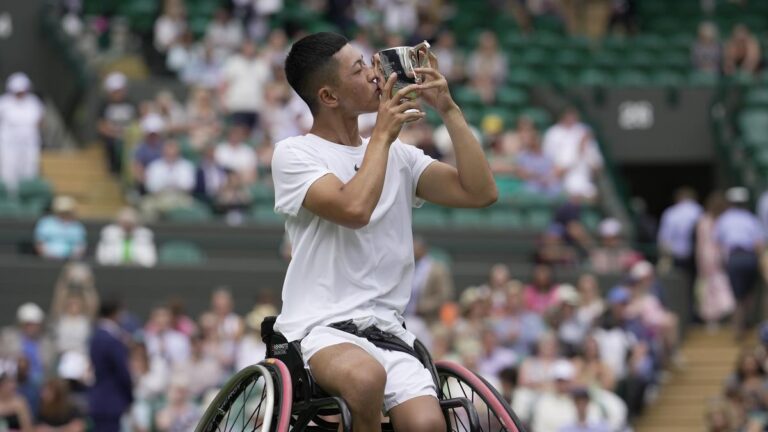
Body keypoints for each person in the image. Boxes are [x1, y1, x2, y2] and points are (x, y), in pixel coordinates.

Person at [272, 32, 497, 432]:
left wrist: (448, 108)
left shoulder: (400, 156)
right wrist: (380, 136)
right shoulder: (294, 154)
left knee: (427, 425)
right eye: (359, 69)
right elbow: (353, 209)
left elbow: (480, 192)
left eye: (370, 63)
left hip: (387, 330)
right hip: (319, 327)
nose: (376, 74)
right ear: (328, 97)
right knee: (365, 377)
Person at [715, 187, 765, 339]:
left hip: (735, 257)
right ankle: (744, 326)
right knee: (748, 295)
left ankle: (739, 328)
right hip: (749, 257)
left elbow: (717, 242)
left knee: (738, 296)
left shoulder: (724, 219)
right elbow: (759, 243)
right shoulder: (751, 218)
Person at [88, 299, 133, 432]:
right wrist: (130, 397)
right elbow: (122, 372)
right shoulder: (112, 340)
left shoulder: (96, 336)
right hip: (111, 401)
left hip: (99, 400)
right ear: (115, 313)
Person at [695, 191, 735, 329]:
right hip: (717, 255)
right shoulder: (718, 220)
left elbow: (701, 245)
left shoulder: (704, 220)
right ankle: (719, 315)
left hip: (709, 256)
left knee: (711, 287)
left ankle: (714, 318)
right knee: (716, 285)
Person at [0, 72, 44, 194]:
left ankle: (27, 194)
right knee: (9, 171)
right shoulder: (3, 103)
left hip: (29, 143)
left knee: (29, 169)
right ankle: (10, 196)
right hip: (9, 143)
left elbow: (40, 120)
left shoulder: (34, 102)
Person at [404, 236, 454, 325]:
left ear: (423, 249)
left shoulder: (437, 269)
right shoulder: (406, 267)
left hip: (429, 320)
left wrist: (422, 307)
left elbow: (445, 295)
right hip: (404, 317)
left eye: (415, 248)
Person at [657, 186, 702, 282]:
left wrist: (664, 256)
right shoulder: (699, 211)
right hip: (696, 255)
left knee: (679, 282)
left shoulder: (671, 213)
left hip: (676, 255)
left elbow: (664, 237)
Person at [97, 72, 137, 175]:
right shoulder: (104, 105)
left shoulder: (131, 103)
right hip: (112, 136)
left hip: (129, 135)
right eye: (116, 91)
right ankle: (115, 169)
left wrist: (128, 135)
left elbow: (136, 122)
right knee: (112, 144)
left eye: (120, 90)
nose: (118, 94)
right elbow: (101, 125)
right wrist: (115, 134)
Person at [33, 196, 86, 260]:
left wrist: (73, 257)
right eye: (63, 211)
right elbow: (39, 244)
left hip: (70, 260)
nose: (65, 214)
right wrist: (48, 255)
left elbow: (80, 246)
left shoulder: (77, 226)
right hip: (47, 260)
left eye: (67, 212)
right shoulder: (45, 223)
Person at [0, 360, 33, 432]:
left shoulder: (20, 403)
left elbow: (28, 427)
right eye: (7, 385)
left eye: (12, 384)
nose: (12, 387)